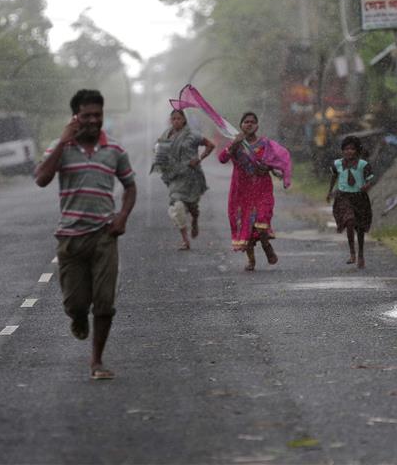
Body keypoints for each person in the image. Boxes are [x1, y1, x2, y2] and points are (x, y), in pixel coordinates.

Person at [34, 89, 136, 380]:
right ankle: (78, 318)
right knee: (76, 304)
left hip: (105, 235)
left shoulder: (115, 150)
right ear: (75, 117)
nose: (93, 120)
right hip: (70, 238)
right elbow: (42, 179)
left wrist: (122, 216)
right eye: (87, 115)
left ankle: (97, 361)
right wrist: (64, 140)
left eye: (98, 115)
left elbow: (130, 186)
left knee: (104, 302)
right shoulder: (61, 148)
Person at [218, 112, 280, 272]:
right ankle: (251, 260)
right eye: (246, 122)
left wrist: (269, 168)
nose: (249, 124)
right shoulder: (236, 144)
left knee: (261, 220)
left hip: (262, 189)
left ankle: (267, 245)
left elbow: (274, 161)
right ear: (240, 125)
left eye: (252, 122)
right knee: (247, 226)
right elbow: (222, 158)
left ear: (257, 126)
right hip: (242, 192)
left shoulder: (265, 143)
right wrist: (234, 144)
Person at [151, 108, 214, 250]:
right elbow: (158, 151)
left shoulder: (192, 135)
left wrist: (199, 158)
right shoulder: (166, 135)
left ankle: (195, 219)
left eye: (179, 118)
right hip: (175, 177)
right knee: (177, 206)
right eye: (173, 119)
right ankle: (185, 240)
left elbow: (210, 145)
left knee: (192, 206)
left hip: (192, 177)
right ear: (170, 120)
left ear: (184, 120)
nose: (176, 121)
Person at [326, 135, 374, 269]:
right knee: (349, 220)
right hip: (343, 197)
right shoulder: (337, 164)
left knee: (360, 228)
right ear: (342, 150)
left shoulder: (363, 165)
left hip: (359, 198)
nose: (349, 151)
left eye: (352, 149)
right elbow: (334, 177)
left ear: (357, 151)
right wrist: (329, 192)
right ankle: (352, 252)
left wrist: (367, 185)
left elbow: (370, 179)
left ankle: (361, 254)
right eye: (346, 149)